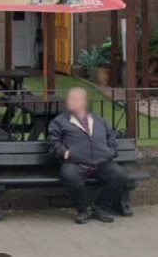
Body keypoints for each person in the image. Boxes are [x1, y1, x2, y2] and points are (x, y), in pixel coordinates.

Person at [47, 87, 129, 224]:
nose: (70, 101)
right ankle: (83, 210)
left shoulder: (99, 120)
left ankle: (101, 208)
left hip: (102, 162)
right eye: (69, 98)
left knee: (119, 176)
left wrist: (111, 151)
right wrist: (65, 153)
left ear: (84, 102)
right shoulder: (59, 121)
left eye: (74, 98)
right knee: (70, 176)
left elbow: (111, 137)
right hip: (75, 163)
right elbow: (52, 142)